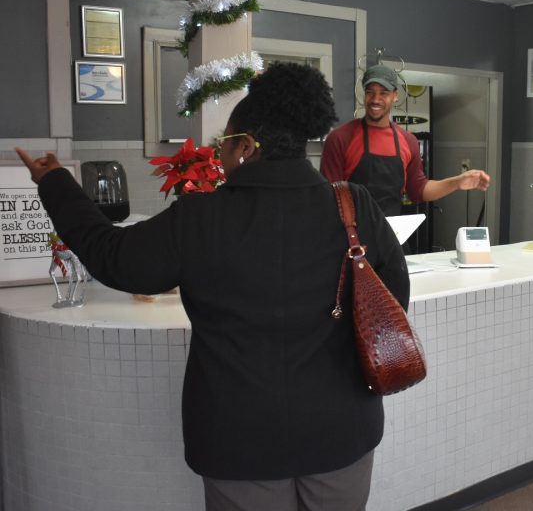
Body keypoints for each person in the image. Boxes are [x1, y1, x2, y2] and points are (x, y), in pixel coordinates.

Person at [16, 62, 409, 511]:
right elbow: (394, 297)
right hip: (342, 428)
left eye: (224, 143)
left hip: (238, 439)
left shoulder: (199, 218)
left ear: (246, 146)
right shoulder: (353, 206)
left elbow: (113, 258)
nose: (220, 154)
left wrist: (55, 184)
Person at [320, 64, 491, 217]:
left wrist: (457, 182)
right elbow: (328, 197)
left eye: (383, 93)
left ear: (395, 96)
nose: (375, 99)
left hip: (392, 237)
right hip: (352, 240)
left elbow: (418, 190)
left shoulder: (408, 141)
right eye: (370, 92)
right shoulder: (341, 138)